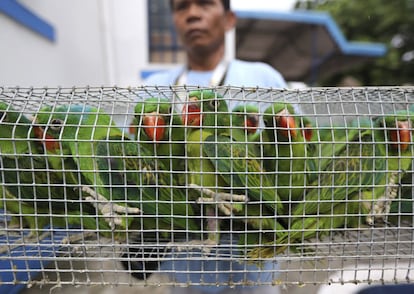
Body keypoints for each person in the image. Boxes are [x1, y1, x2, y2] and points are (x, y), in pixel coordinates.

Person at [142, 1, 287, 293]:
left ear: (230, 19)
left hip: (252, 265)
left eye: (205, 4)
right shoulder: (155, 87)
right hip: (185, 266)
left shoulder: (263, 78)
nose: (193, 14)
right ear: (174, 21)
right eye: (182, 7)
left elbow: (290, 156)